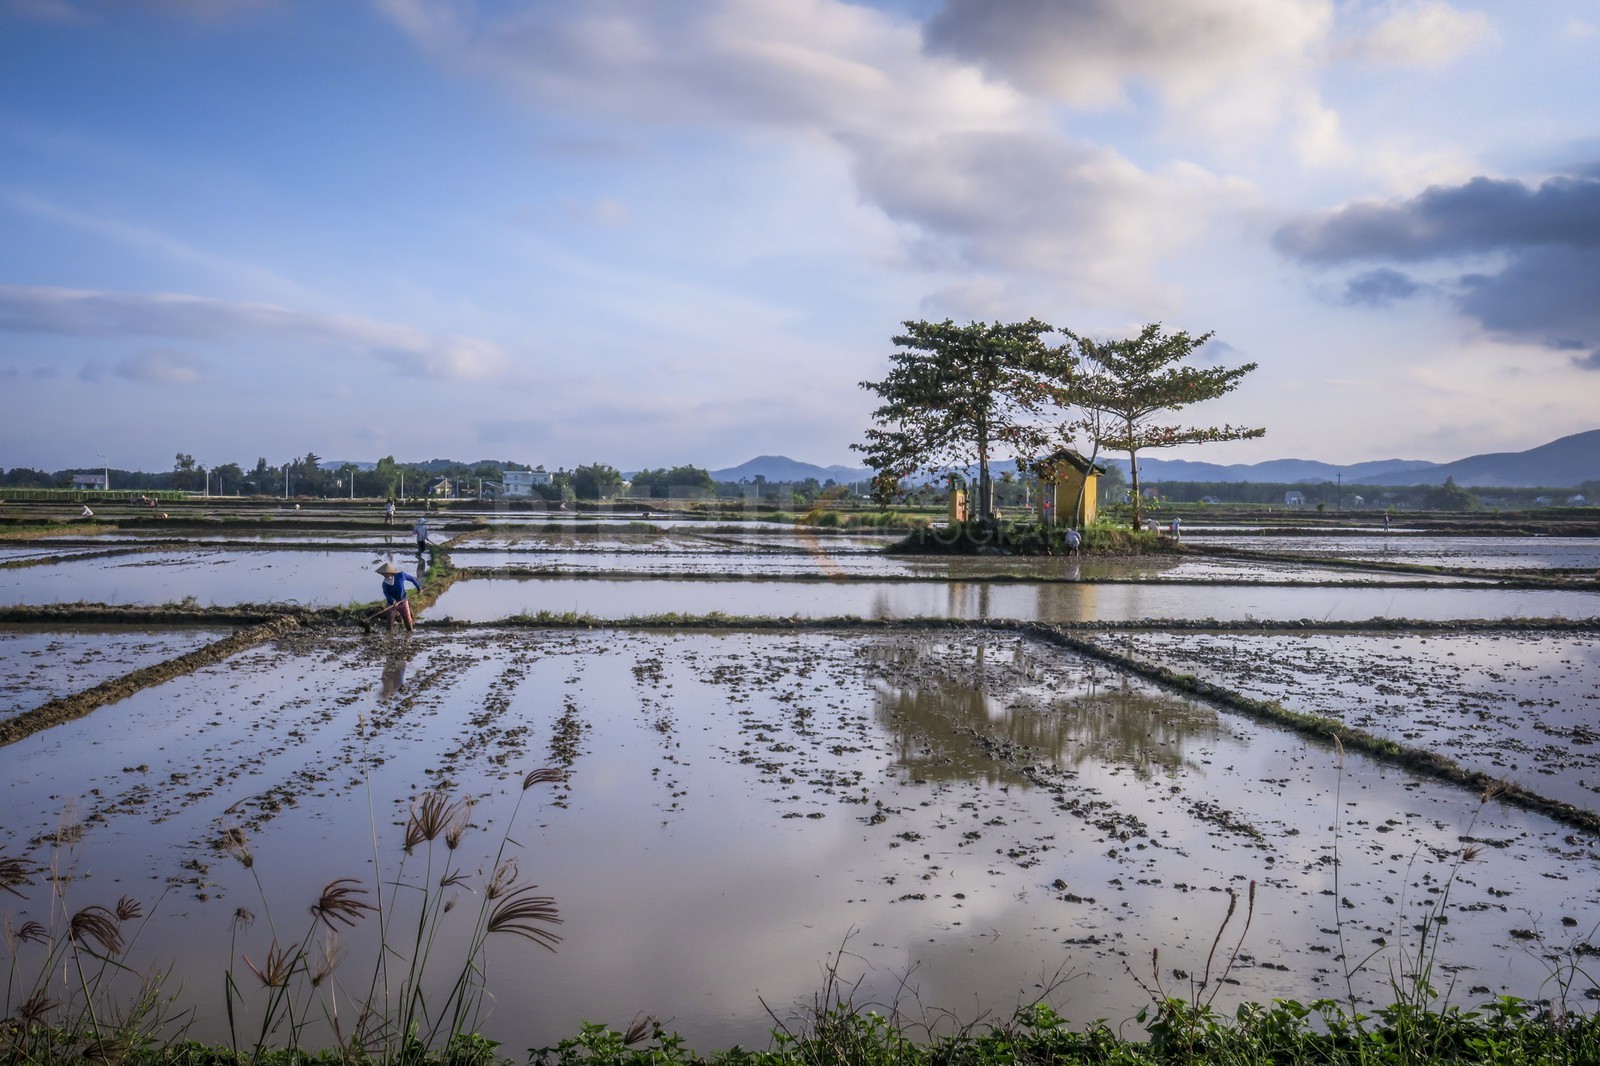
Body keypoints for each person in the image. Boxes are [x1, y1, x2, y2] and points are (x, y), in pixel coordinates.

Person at [376, 562, 422, 632]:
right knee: (390, 621)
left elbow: (412, 579)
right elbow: (386, 593)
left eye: (385, 573)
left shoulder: (401, 575)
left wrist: (418, 587)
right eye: (382, 574)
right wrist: (392, 601)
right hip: (392, 605)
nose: (383, 575)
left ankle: (409, 634)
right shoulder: (385, 583)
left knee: (408, 621)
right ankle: (389, 635)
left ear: (390, 572)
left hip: (403, 601)